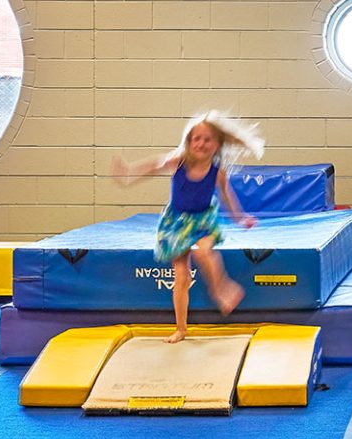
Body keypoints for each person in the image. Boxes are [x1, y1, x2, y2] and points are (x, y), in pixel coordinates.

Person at [112, 112, 264, 343]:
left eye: (207, 139)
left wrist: (239, 218)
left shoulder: (218, 172)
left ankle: (220, 289)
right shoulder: (178, 161)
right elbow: (154, 166)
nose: (201, 143)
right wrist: (129, 173)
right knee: (181, 277)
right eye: (196, 138)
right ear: (189, 141)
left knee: (204, 252)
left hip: (203, 218)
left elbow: (228, 197)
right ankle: (181, 329)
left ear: (217, 144)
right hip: (176, 222)